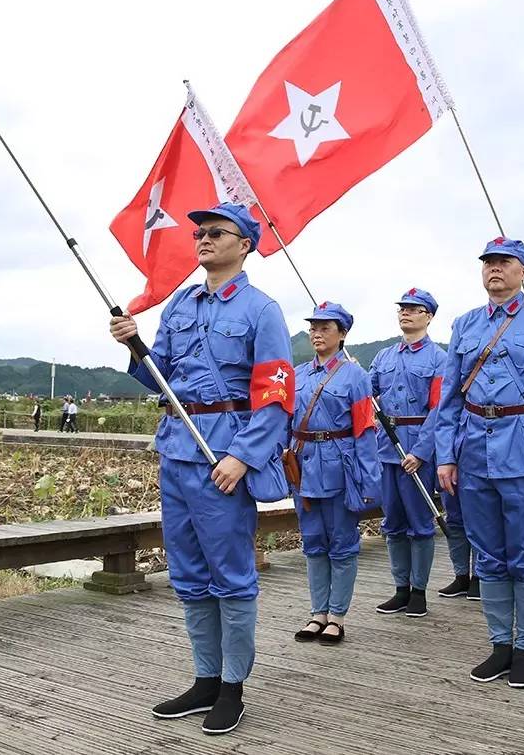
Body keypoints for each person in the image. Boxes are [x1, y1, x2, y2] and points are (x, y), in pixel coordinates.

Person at [109, 201, 294, 736]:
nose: (204, 239)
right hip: (177, 447)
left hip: (223, 456)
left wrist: (243, 457)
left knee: (231, 576)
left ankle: (233, 686)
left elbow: (277, 394)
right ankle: (205, 680)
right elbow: (160, 378)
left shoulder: (262, 311)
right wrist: (134, 344)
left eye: (217, 232)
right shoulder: (179, 307)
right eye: (200, 233)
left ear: (246, 244)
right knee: (188, 572)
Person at [434, 237, 524, 689]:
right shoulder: (465, 324)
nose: (494, 269)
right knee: (490, 556)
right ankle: (500, 645)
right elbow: (450, 397)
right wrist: (445, 456)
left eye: (504, 263)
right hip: (474, 450)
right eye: (488, 263)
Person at [291, 302, 380, 644]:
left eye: (325, 327)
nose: (316, 332)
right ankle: (317, 613)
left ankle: (337, 617)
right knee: (313, 542)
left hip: (340, 467)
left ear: (342, 334)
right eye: (313, 326)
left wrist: (368, 481)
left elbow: (364, 431)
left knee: (342, 543)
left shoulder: (356, 377)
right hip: (303, 466)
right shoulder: (298, 374)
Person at [370, 289, 447, 617]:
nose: (406, 314)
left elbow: (438, 409)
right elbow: (368, 398)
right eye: (403, 309)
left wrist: (421, 451)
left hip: (417, 448)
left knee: (420, 523)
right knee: (393, 522)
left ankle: (419, 591)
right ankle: (400, 588)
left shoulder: (438, 359)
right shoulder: (383, 357)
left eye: (414, 310)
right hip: (386, 448)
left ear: (428, 316)